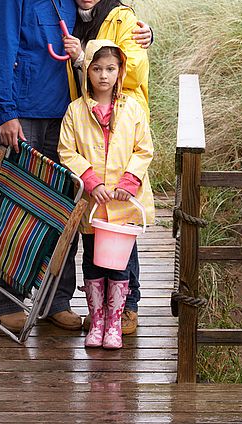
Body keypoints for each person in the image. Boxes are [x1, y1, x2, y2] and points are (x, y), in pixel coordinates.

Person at [0, 0, 151, 334]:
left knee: (68, 212)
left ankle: (56, 300)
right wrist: (4, 111)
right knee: (16, 207)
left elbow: (106, 32)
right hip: (23, 117)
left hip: (69, 117)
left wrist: (146, 33)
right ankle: (7, 299)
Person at [62, 0, 150, 334]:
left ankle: (127, 306)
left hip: (123, 126)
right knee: (97, 231)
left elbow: (133, 63)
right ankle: (100, 314)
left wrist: (85, 58)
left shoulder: (122, 18)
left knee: (122, 227)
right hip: (87, 130)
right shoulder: (74, 18)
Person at [58, 40, 155, 349]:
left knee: (120, 263)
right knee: (92, 261)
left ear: (120, 71)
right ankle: (96, 319)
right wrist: (90, 180)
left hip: (124, 204)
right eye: (96, 69)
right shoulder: (75, 111)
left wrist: (129, 182)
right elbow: (67, 151)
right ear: (87, 72)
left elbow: (144, 149)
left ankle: (115, 321)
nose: (103, 75)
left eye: (111, 69)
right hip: (93, 203)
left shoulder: (133, 110)